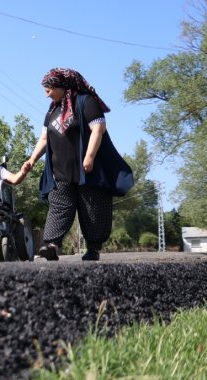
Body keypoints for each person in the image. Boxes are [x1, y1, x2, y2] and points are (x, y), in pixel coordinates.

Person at [24, 68, 134, 261]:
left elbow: (98, 129)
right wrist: (32, 159)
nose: (47, 94)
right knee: (59, 205)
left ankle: (93, 248)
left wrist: (90, 155)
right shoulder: (52, 110)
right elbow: (44, 138)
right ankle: (51, 246)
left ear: (63, 85)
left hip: (87, 169)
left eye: (49, 89)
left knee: (92, 208)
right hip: (60, 170)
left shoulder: (86, 101)